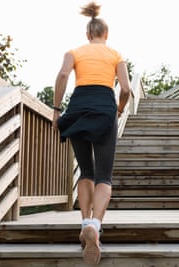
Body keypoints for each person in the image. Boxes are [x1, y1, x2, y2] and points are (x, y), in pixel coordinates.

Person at [52, 2, 131, 264]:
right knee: (104, 176)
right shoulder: (116, 54)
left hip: (77, 108)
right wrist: (118, 111)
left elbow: (63, 75)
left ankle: (84, 221)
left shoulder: (73, 52)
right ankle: (95, 226)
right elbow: (126, 90)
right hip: (104, 109)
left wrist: (56, 110)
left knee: (86, 171)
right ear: (105, 35)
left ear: (88, 34)